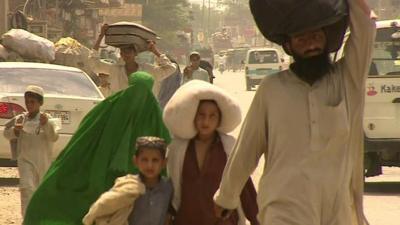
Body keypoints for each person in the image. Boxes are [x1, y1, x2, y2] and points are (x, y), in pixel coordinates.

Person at [214, 0, 376, 224]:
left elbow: (365, 29)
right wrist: (226, 196)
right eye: (301, 38)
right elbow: (247, 147)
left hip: (337, 209)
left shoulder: (347, 80)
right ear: (289, 46)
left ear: (326, 38)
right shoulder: (271, 89)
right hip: (283, 207)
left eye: (315, 36)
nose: (310, 44)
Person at [24, 72, 171, 225]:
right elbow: (87, 134)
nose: (137, 97)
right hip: (105, 171)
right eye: (135, 90)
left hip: (136, 176)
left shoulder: (145, 112)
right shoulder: (116, 107)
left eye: (142, 92)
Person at [164, 80, 259, 225]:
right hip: (187, 219)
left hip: (222, 221)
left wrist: (255, 219)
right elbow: (170, 185)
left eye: (212, 116)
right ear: (194, 117)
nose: (206, 121)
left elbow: (243, 184)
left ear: (219, 119)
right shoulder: (178, 148)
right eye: (201, 115)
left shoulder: (228, 147)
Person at [82, 136, 172, 225]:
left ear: (164, 162)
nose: (149, 165)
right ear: (135, 161)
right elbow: (105, 206)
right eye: (144, 160)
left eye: (155, 160)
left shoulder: (168, 188)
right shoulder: (127, 187)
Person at [3, 85, 59, 216]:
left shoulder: (48, 119)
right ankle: (27, 219)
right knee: (27, 189)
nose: (29, 105)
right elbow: (6, 134)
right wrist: (15, 131)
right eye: (27, 102)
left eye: (32, 102)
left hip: (43, 162)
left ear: (40, 103)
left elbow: (54, 137)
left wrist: (46, 124)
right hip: (25, 160)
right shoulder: (20, 119)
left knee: (40, 192)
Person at [88, 24, 177, 96]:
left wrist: (155, 51)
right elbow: (94, 63)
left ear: (135, 53)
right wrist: (101, 36)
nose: (126, 54)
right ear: (121, 54)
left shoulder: (147, 70)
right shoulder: (114, 69)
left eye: (128, 51)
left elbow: (171, 69)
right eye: (123, 51)